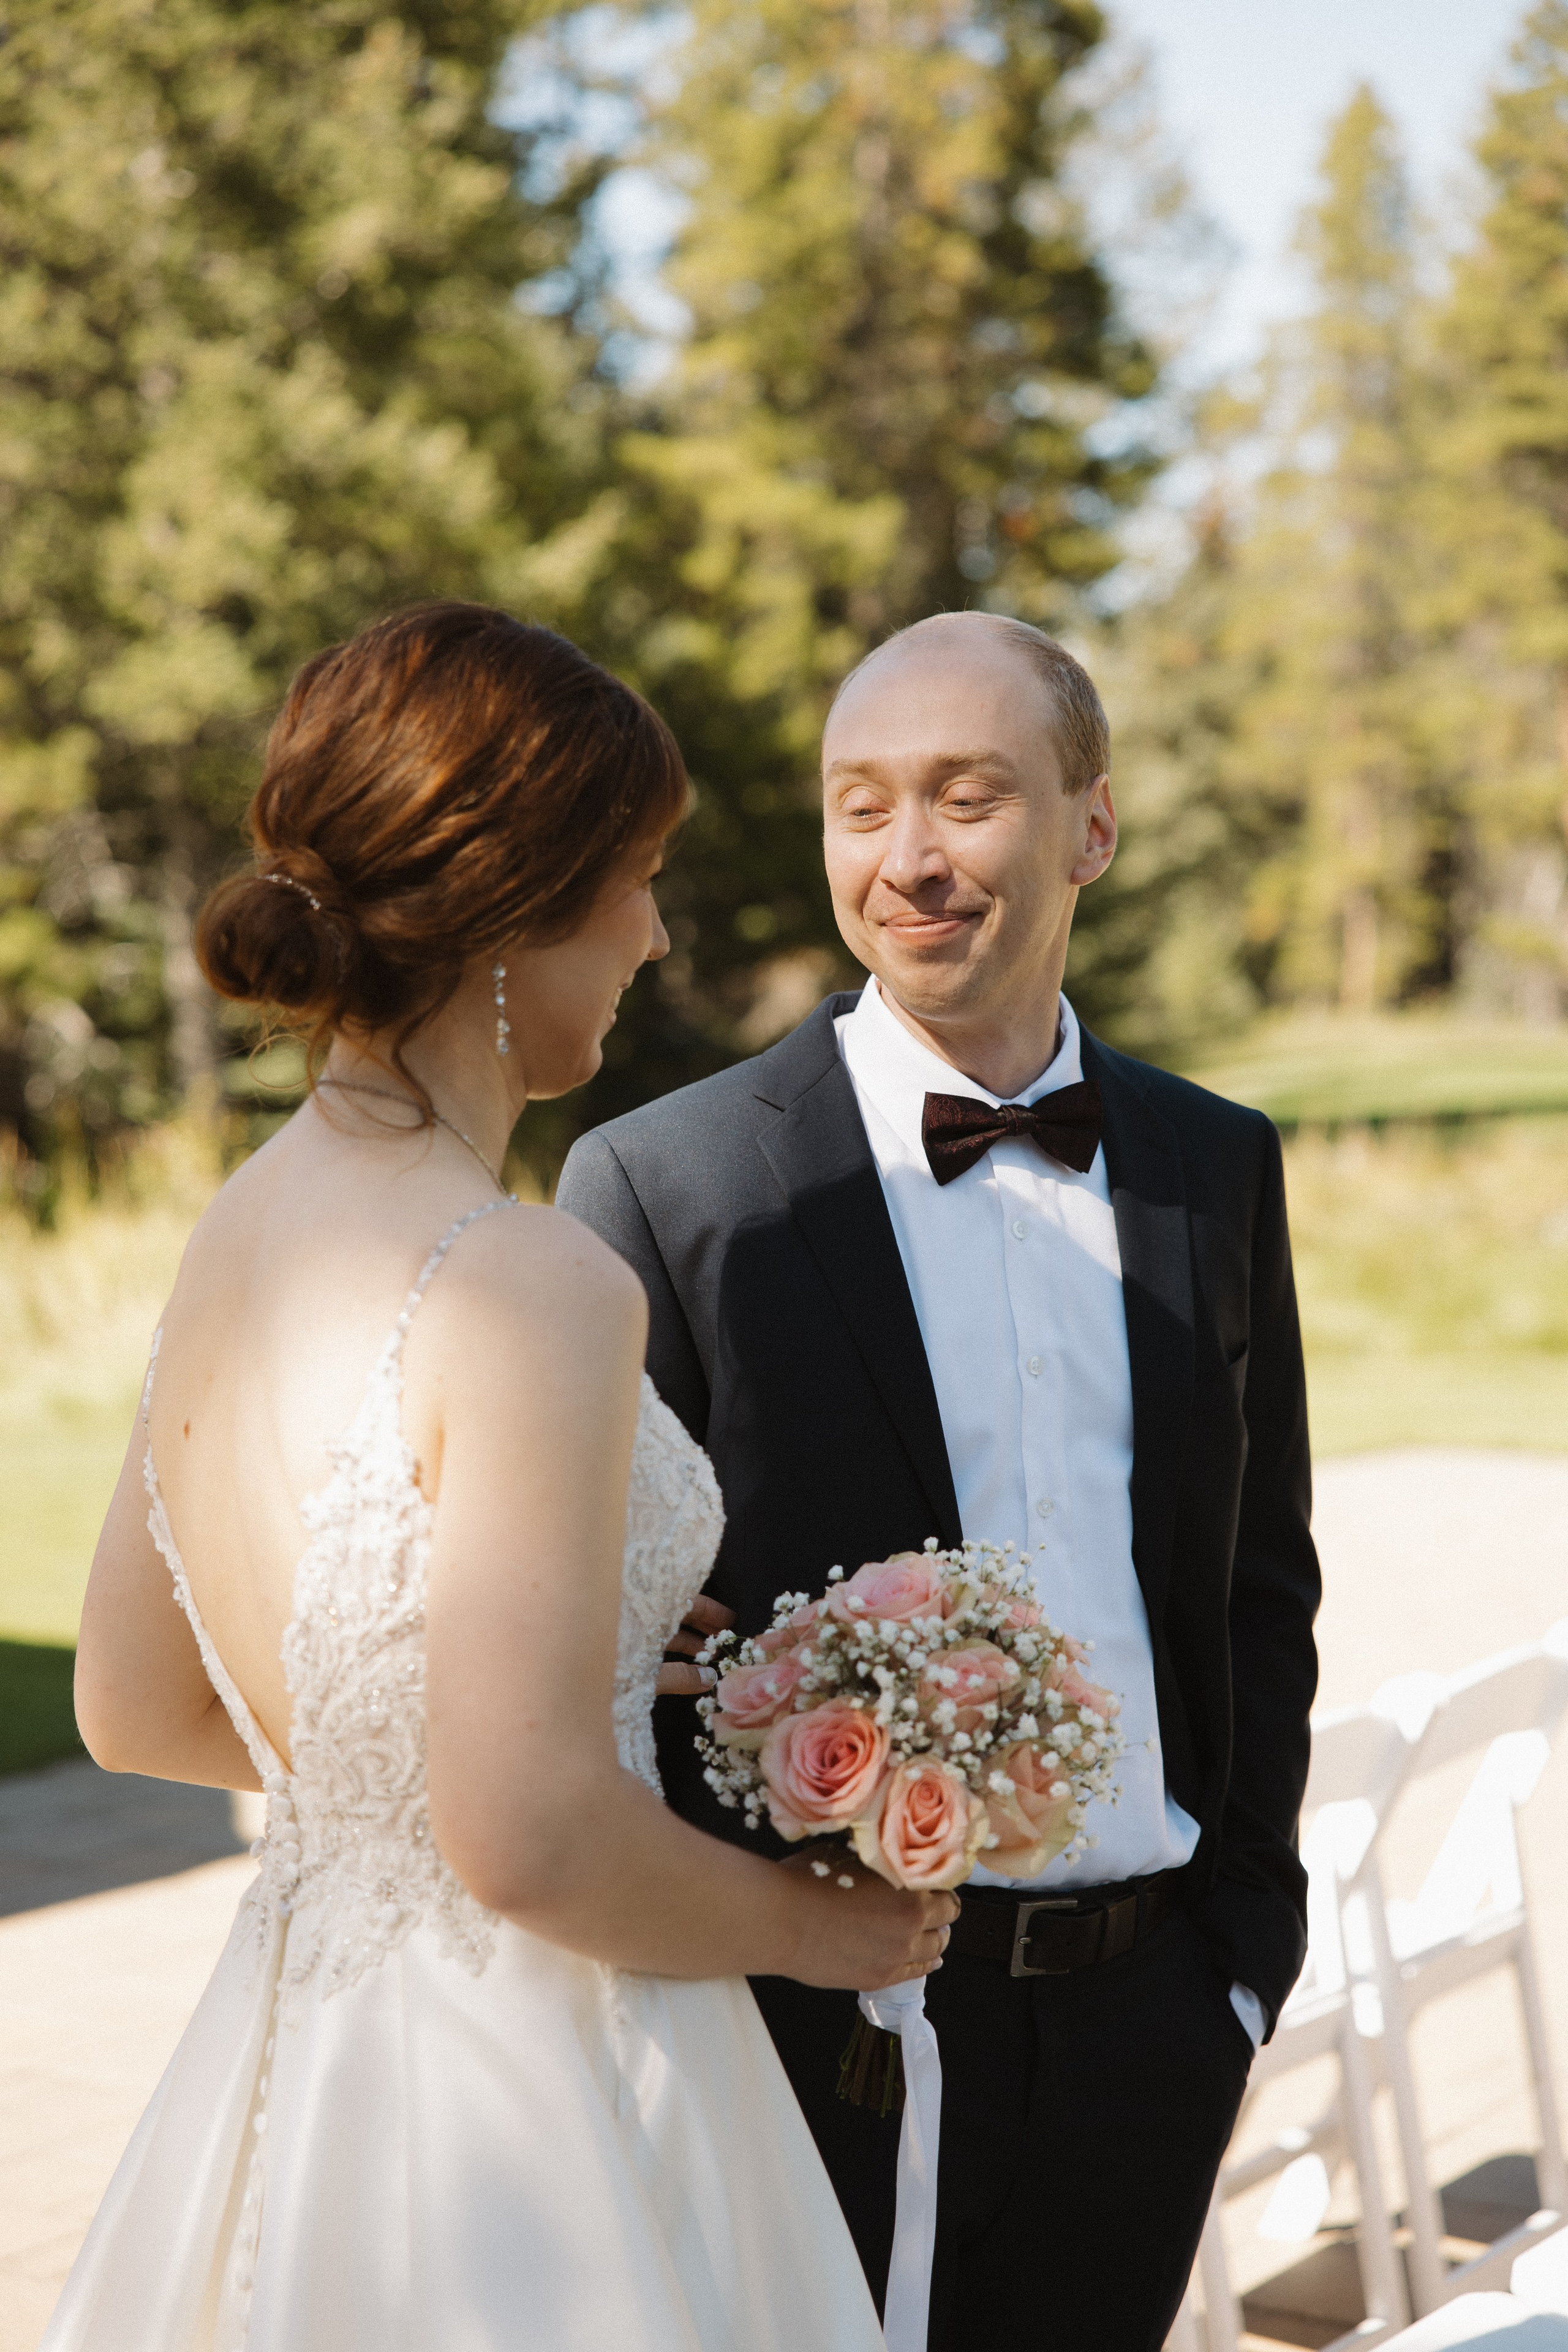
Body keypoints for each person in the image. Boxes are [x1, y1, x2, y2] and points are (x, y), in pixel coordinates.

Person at [45, 601, 957, 2352]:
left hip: (301, 2076)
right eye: (635, 877)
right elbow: (529, 1837)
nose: (655, 930)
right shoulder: (524, 1281)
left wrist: (482, 1697)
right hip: (527, 2118)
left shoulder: (238, 1233)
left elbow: (134, 1706)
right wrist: (823, 1931)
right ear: (510, 914)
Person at [557, 611, 1322, 2352]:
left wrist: (1239, 1967)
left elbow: (1257, 1586)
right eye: (862, 805)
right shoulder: (666, 1188)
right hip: (812, 2049)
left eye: (968, 797)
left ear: (1092, 832)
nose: (908, 860)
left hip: (1152, 2033)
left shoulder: (1220, 1164)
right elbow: (603, 1677)